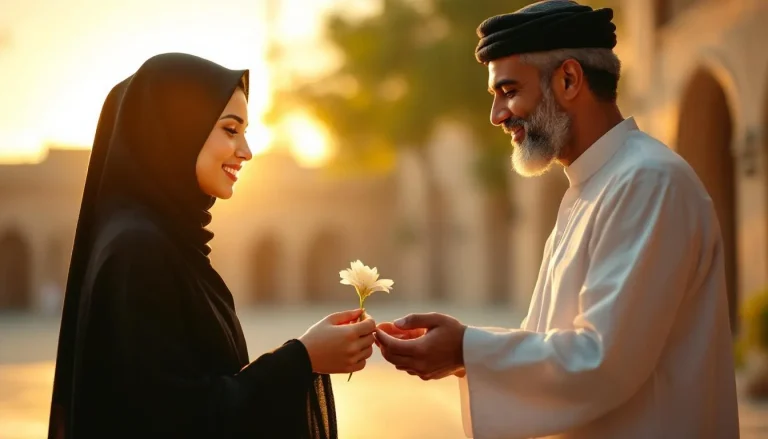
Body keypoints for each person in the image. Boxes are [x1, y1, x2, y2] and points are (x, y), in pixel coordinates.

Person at [375, 1, 740, 438]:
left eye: (508, 91)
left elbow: (601, 360)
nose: (498, 116)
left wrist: (466, 348)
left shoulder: (647, 181)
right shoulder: (592, 188)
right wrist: (462, 350)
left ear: (569, 79)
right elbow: (556, 345)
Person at [48, 53, 376, 439]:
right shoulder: (137, 250)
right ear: (177, 129)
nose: (247, 151)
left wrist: (306, 353)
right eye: (230, 129)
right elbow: (174, 420)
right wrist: (302, 358)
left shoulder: (167, 242)